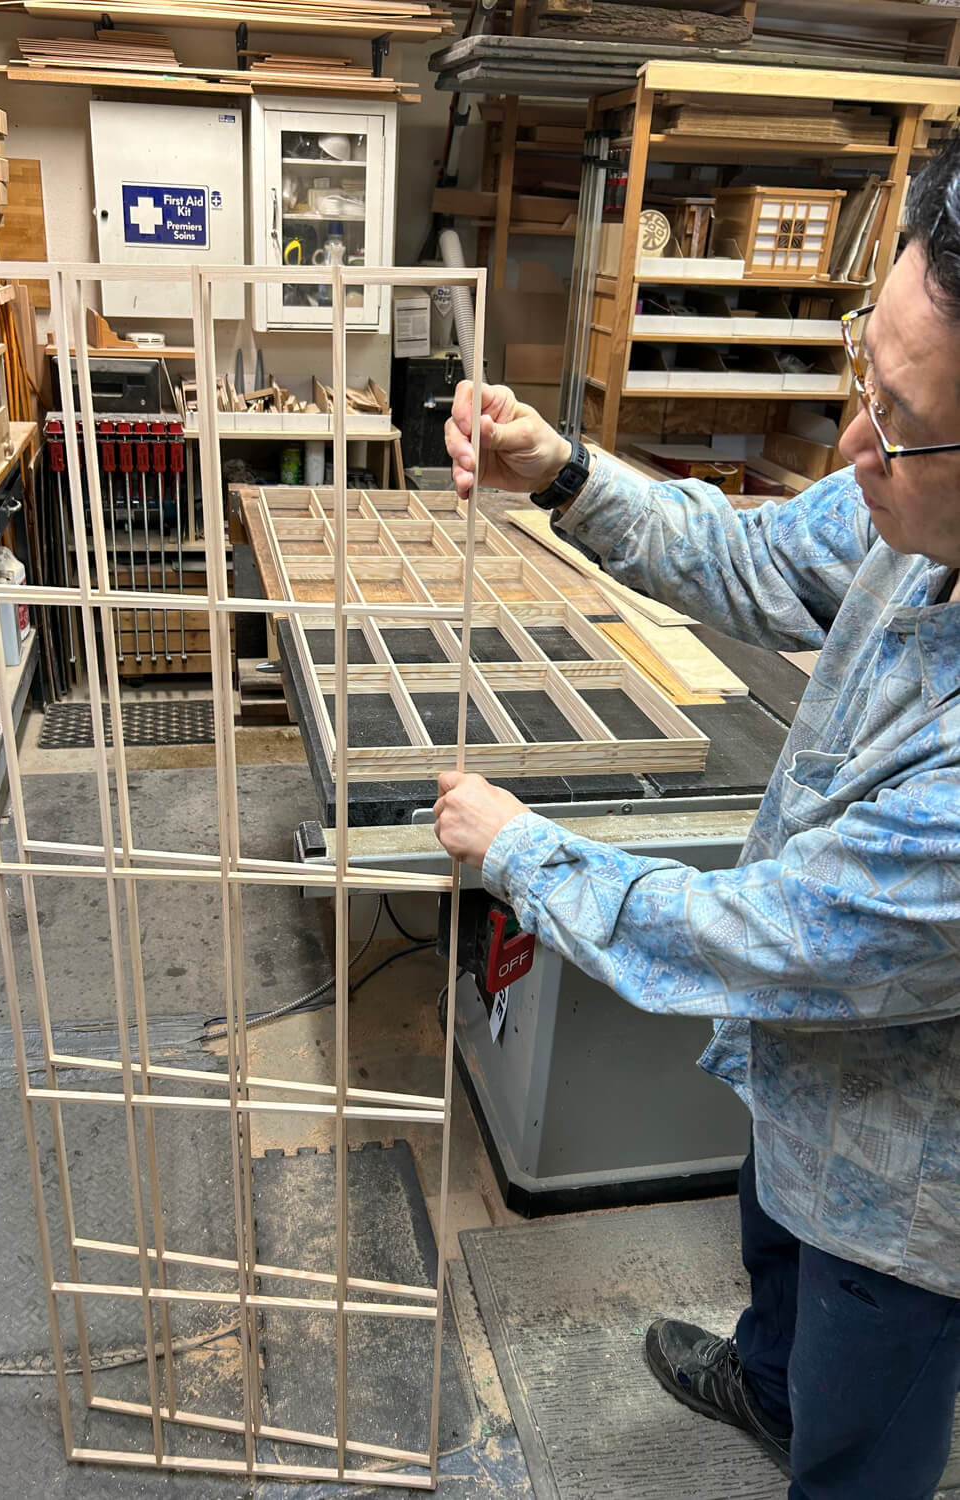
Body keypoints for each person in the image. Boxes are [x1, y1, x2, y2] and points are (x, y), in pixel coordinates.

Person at [436, 135, 960, 1500]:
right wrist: (563, 473)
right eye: (864, 377)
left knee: (864, 1404)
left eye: (899, 421)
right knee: (778, 1237)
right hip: (807, 1075)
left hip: (916, 1185)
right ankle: (769, 1382)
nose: (853, 446)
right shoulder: (915, 506)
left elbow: (761, 937)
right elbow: (752, 551)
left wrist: (522, 854)